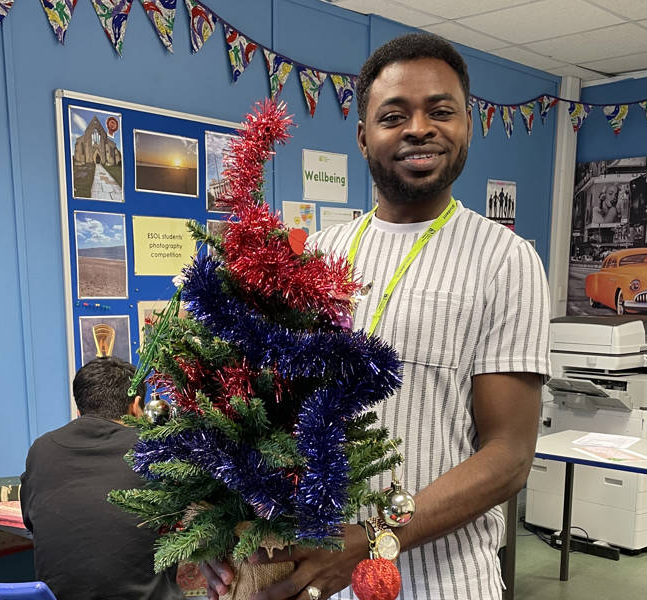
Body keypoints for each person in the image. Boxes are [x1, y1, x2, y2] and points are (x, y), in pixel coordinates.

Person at [200, 32, 550, 600]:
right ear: (364, 136)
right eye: (394, 115)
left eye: (441, 111)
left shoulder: (506, 261)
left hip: (445, 585)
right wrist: (217, 527)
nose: (419, 128)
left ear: (468, 125)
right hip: (310, 579)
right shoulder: (317, 254)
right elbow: (257, 410)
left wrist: (371, 539)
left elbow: (509, 456)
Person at [20, 357, 183, 600]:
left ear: (79, 410)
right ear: (136, 406)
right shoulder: (154, 449)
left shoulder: (41, 449)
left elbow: (30, 522)